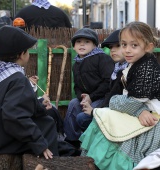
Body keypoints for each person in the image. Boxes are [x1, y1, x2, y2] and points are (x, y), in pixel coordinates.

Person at [79, 21, 160, 170]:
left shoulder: (147, 67)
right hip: (139, 110)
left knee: (113, 125)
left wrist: (131, 107)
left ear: (148, 47)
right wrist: (131, 106)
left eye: (134, 45)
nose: (127, 50)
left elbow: (133, 100)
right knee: (105, 116)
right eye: (124, 45)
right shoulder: (134, 64)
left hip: (152, 116)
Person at [0, 25, 59, 159]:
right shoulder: (17, 79)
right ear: (22, 54)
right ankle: (48, 164)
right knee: (47, 124)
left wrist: (39, 104)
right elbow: (13, 116)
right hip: (1, 142)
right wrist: (39, 143)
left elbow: (4, 104)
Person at [63, 28, 114, 147]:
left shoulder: (102, 58)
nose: (82, 44)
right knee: (73, 104)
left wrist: (91, 97)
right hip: (88, 98)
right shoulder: (77, 64)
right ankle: (71, 141)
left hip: (102, 97)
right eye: (78, 42)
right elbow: (77, 86)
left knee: (83, 117)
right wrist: (82, 96)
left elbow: (108, 82)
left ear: (95, 45)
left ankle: (91, 142)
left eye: (87, 42)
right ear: (74, 47)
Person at [79, 29, 128, 129]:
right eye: (111, 48)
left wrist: (95, 111)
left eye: (118, 46)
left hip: (122, 112)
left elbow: (113, 94)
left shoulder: (128, 70)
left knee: (83, 118)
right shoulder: (117, 68)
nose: (113, 50)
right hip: (108, 106)